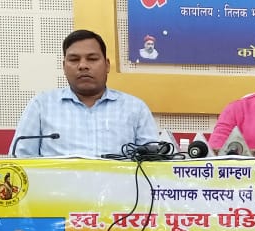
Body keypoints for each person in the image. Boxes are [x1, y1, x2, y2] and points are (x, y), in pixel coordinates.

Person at [10, 29, 159, 157]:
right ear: (64, 66)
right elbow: (19, 161)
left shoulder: (135, 108)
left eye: (92, 59)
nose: (83, 66)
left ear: (107, 65)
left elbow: (155, 164)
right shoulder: (41, 106)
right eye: (74, 60)